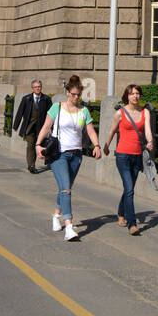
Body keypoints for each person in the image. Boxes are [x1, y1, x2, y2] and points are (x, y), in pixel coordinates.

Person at [35, 75, 101, 240]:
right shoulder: (57, 107)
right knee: (66, 189)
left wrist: (97, 146)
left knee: (66, 188)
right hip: (59, 154)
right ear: (67, 92)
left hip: (76, 155)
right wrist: (37, 145)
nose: (76, 97)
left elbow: (91, 130)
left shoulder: (83, 111)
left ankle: (56, 216)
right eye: (73, 94)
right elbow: (45, 127)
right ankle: (69, 227)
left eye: (78, 94)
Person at [103, 84, 153, 234]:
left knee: (128, 188)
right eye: (132, 94)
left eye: (137, 93)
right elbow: (112, 130)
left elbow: (148, 130)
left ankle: (121, 213)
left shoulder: (145, 112)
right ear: (127, 96)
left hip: (137, 155)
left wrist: (150, 142)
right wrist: (106, 146)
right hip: (122, 155)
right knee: (130, 189)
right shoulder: (120, 113)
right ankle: (132, 224)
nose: (135, 96)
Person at [12, 79, 49, 174]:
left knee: (42, 144)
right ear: (32, 89)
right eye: (36, 87)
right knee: (31, 145)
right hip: (29, 127)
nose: (38, 88)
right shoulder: (26, 99)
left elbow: (51, 114)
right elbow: (20, 112)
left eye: (39, 87)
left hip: (41, 127)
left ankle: (48, 161)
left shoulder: (46, 99)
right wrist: (16, 126)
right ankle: (31, 165)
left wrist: (51, 127)